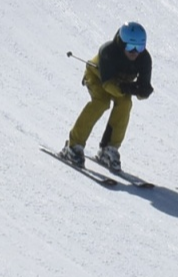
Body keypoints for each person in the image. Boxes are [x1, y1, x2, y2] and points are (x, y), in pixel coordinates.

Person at [58, 22, 152, 170]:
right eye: (130, 47)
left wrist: (142, 91)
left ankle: (109, 149)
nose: (135, 52)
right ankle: (73, 145)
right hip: (97, 77)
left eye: (139, 47)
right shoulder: (108, 51)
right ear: (122, 44)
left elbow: (143, 87)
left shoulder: (144, 58)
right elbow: (108, 85)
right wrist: (129, 88)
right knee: (101, 102)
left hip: (120, 84)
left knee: (125, 104)